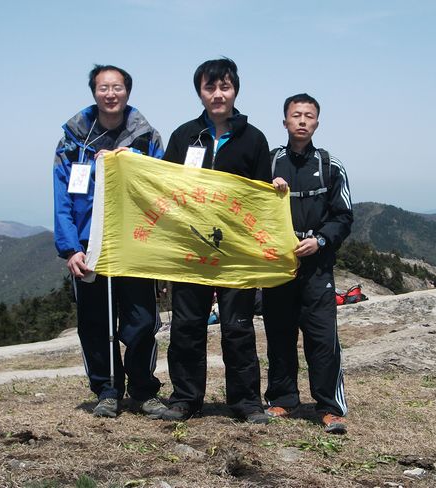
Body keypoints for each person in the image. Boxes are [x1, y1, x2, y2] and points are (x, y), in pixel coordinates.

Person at [161, 58, 271, 424]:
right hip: (190, 247)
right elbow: (164, 188)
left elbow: (263, 198)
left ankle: (246, 403)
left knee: (238, 326)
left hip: (236, 251)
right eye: (210, 87)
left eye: (224, 86)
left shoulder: (254, 139)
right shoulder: (184, 136)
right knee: (186, 326)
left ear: (235, 90)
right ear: (200, 92)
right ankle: (184, 400)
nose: (218, 94)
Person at [53, 64, 166, 418]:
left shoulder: (147, 137)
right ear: (94, 92)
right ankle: (106, 390)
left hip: (136, 242)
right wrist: (70, 248)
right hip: (90, 246)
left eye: (117, 87)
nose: (111, 94)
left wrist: (132, 160)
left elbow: (163, 186)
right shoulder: (73, 140)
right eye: (104, 88)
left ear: (127, 92)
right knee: (95, 322)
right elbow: (62, 197)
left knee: (142, 320)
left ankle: (144, 390)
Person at [263, 93, 353, 434]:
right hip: (279, 265)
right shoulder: (270, 163)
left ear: (317, 122)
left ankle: (330, 408)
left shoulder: (330, 166)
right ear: (284, 121)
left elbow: (343, 216)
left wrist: (321, 241)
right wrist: (268, 188)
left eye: (309, 116)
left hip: (317, 266)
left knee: (322, 336)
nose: (302, 121)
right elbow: (249, 203)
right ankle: (283, 399)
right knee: (279, 334)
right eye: (295, 115)